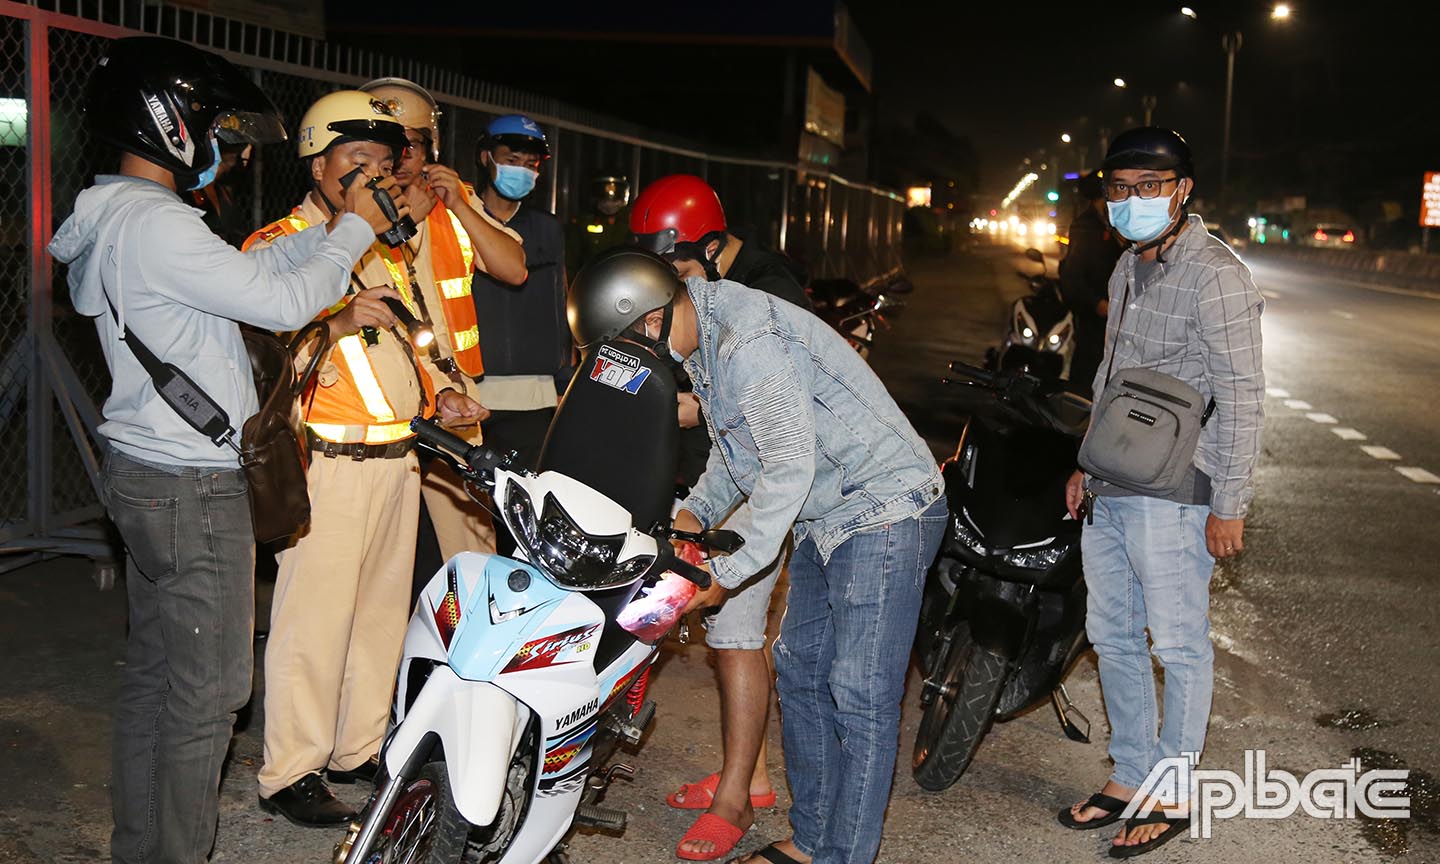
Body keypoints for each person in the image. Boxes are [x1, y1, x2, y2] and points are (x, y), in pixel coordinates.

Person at [47, 37, 402, 863]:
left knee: (155, 677)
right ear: (170, 125)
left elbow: (242, 279)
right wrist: (351, 230)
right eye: (218, 132)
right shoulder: (158, 226)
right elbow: (284, 306)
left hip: (144, 472)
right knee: (209, 695)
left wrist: (323, 228)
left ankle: (142, 846)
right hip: (190, 487)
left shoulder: (118, 216)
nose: (230, 153)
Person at [568, 252, 947, 864]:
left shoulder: (749, 344)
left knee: (859, 692)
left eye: (626, 349)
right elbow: (737, 455)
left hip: (886, 505)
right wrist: (685, 519)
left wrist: (727, 572)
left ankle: (845, 856)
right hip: (828, 512)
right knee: (798, 672)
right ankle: (812, 838)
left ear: (649, 321)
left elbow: (788, 468)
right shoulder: (707, 338)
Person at [243, 89, 488, 827]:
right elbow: (258, 352)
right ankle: (292, 769)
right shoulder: (277, 244)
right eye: (356, 162)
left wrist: (443, 392)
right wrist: (337, 316)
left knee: (380, 616)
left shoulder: (388, 248)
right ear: (317, 166)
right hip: (327, 461)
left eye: (383, 163)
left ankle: (358, 746)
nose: (374, 178)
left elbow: (411, 337)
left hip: (397, 456)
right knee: (312, 622)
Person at [1060, 127, 1264, 858]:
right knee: (1112, 636)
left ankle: (1174, 790)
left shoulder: (1216, 274)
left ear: (1183, 190)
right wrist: (1085, 460)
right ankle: (1131, 772)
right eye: (1119, 188)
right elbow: (1108, 377)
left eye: (1150, 185)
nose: (1133, 200)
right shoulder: (1124, 268)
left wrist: (1230, 501)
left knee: (1177, 646)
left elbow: (1242, 395)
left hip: (1178, 492)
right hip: (1113, 482)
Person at [628, 174, 811, 860]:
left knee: (734, 629)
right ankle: (752, 776)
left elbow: (774, 416)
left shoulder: (768, 290)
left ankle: (737, 798)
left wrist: (687, 409)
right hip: (727, 472)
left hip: (769, 479)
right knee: (694, 613)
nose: (667, 285)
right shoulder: (706, 283)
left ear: (708, 245)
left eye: (673, 266)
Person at [359, 78, 527, 571]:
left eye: (414, 141)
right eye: (393, 141)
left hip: (455, 400)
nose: (404, 153)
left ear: (431, 146)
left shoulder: (454, 201)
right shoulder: (357, 211)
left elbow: (514, 268)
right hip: (387, 399)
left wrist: (457, 206)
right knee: (380, 550)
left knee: (472, 542)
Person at [470, 114, 572, 551]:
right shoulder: (453, 219)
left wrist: (565, 379)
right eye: (513, 159)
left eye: (531, 164)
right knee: (470, 517)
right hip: (470, 393)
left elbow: (557, 304)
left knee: (525, 518)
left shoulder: (546, 229)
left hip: (533, 399)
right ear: (486, 157)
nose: (523, 171)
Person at [631, 173, 811, 310]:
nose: (673, 291)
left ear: (711, 252)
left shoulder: (771, 300)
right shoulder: (725, 278)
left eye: (681, 276)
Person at [1059, 170, 1122, 396]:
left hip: (1113, 316)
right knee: (1088, 376)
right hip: (1094, 316)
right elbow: (1073, 275)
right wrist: (1098, 303)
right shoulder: (1086, 226)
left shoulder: (1113, 225)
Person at [565, 172, 632, 274]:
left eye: (615, 199)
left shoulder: (631, 222)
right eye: (604, 199)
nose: (610, 203)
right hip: (591, 280)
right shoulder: (582, 223)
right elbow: (571, 260)